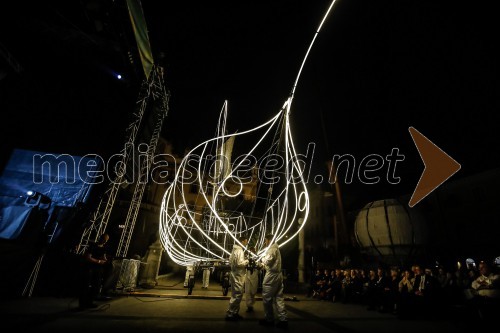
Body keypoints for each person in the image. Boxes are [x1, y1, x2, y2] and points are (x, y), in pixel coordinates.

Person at [258, 234, 288, 328]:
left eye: (266, 240)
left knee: (267, 298)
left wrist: (262, 258)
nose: (265, 242)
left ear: (270, 240)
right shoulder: (276, 248)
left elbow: (268, 261)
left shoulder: (272, 249)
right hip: (278, 275)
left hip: (272, 275)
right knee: (279, 298)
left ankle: (269, 319)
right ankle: (283, 320)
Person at [79, 233, 110, 309]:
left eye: (106, 240)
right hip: (90, 267)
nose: (105, 241)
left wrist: (106, 261)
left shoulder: (104, 247)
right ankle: (82, 304)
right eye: (104, 239)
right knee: (86, 286)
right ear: (101, 238)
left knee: (96, 286)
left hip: (98, 269)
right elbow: (88, 257)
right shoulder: (93, 246)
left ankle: (90, 302)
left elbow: (104, 257)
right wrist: (98, 261)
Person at [225, 235, 249, 321]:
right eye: (246, 241)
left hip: (235, 274)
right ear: (242, 241)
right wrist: (247, 261)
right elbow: (239, 263)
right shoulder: (239, 250)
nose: (246, 243)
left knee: (235, 294)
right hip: (238, 275)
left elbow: (231, 261)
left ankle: (234, 312)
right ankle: (231, 314)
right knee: (237, 295)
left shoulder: (234, 250)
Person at [245, 247, 259, 312]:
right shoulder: (247, 257)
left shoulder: (257, 258)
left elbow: (260, 265)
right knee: (248, 291)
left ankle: (251, 303)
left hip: (254, 275)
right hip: (248, 275)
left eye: (253, 251)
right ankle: (249, 305)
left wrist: (259, 266)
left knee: (253, 291)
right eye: (251, 251)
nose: (252, 252)